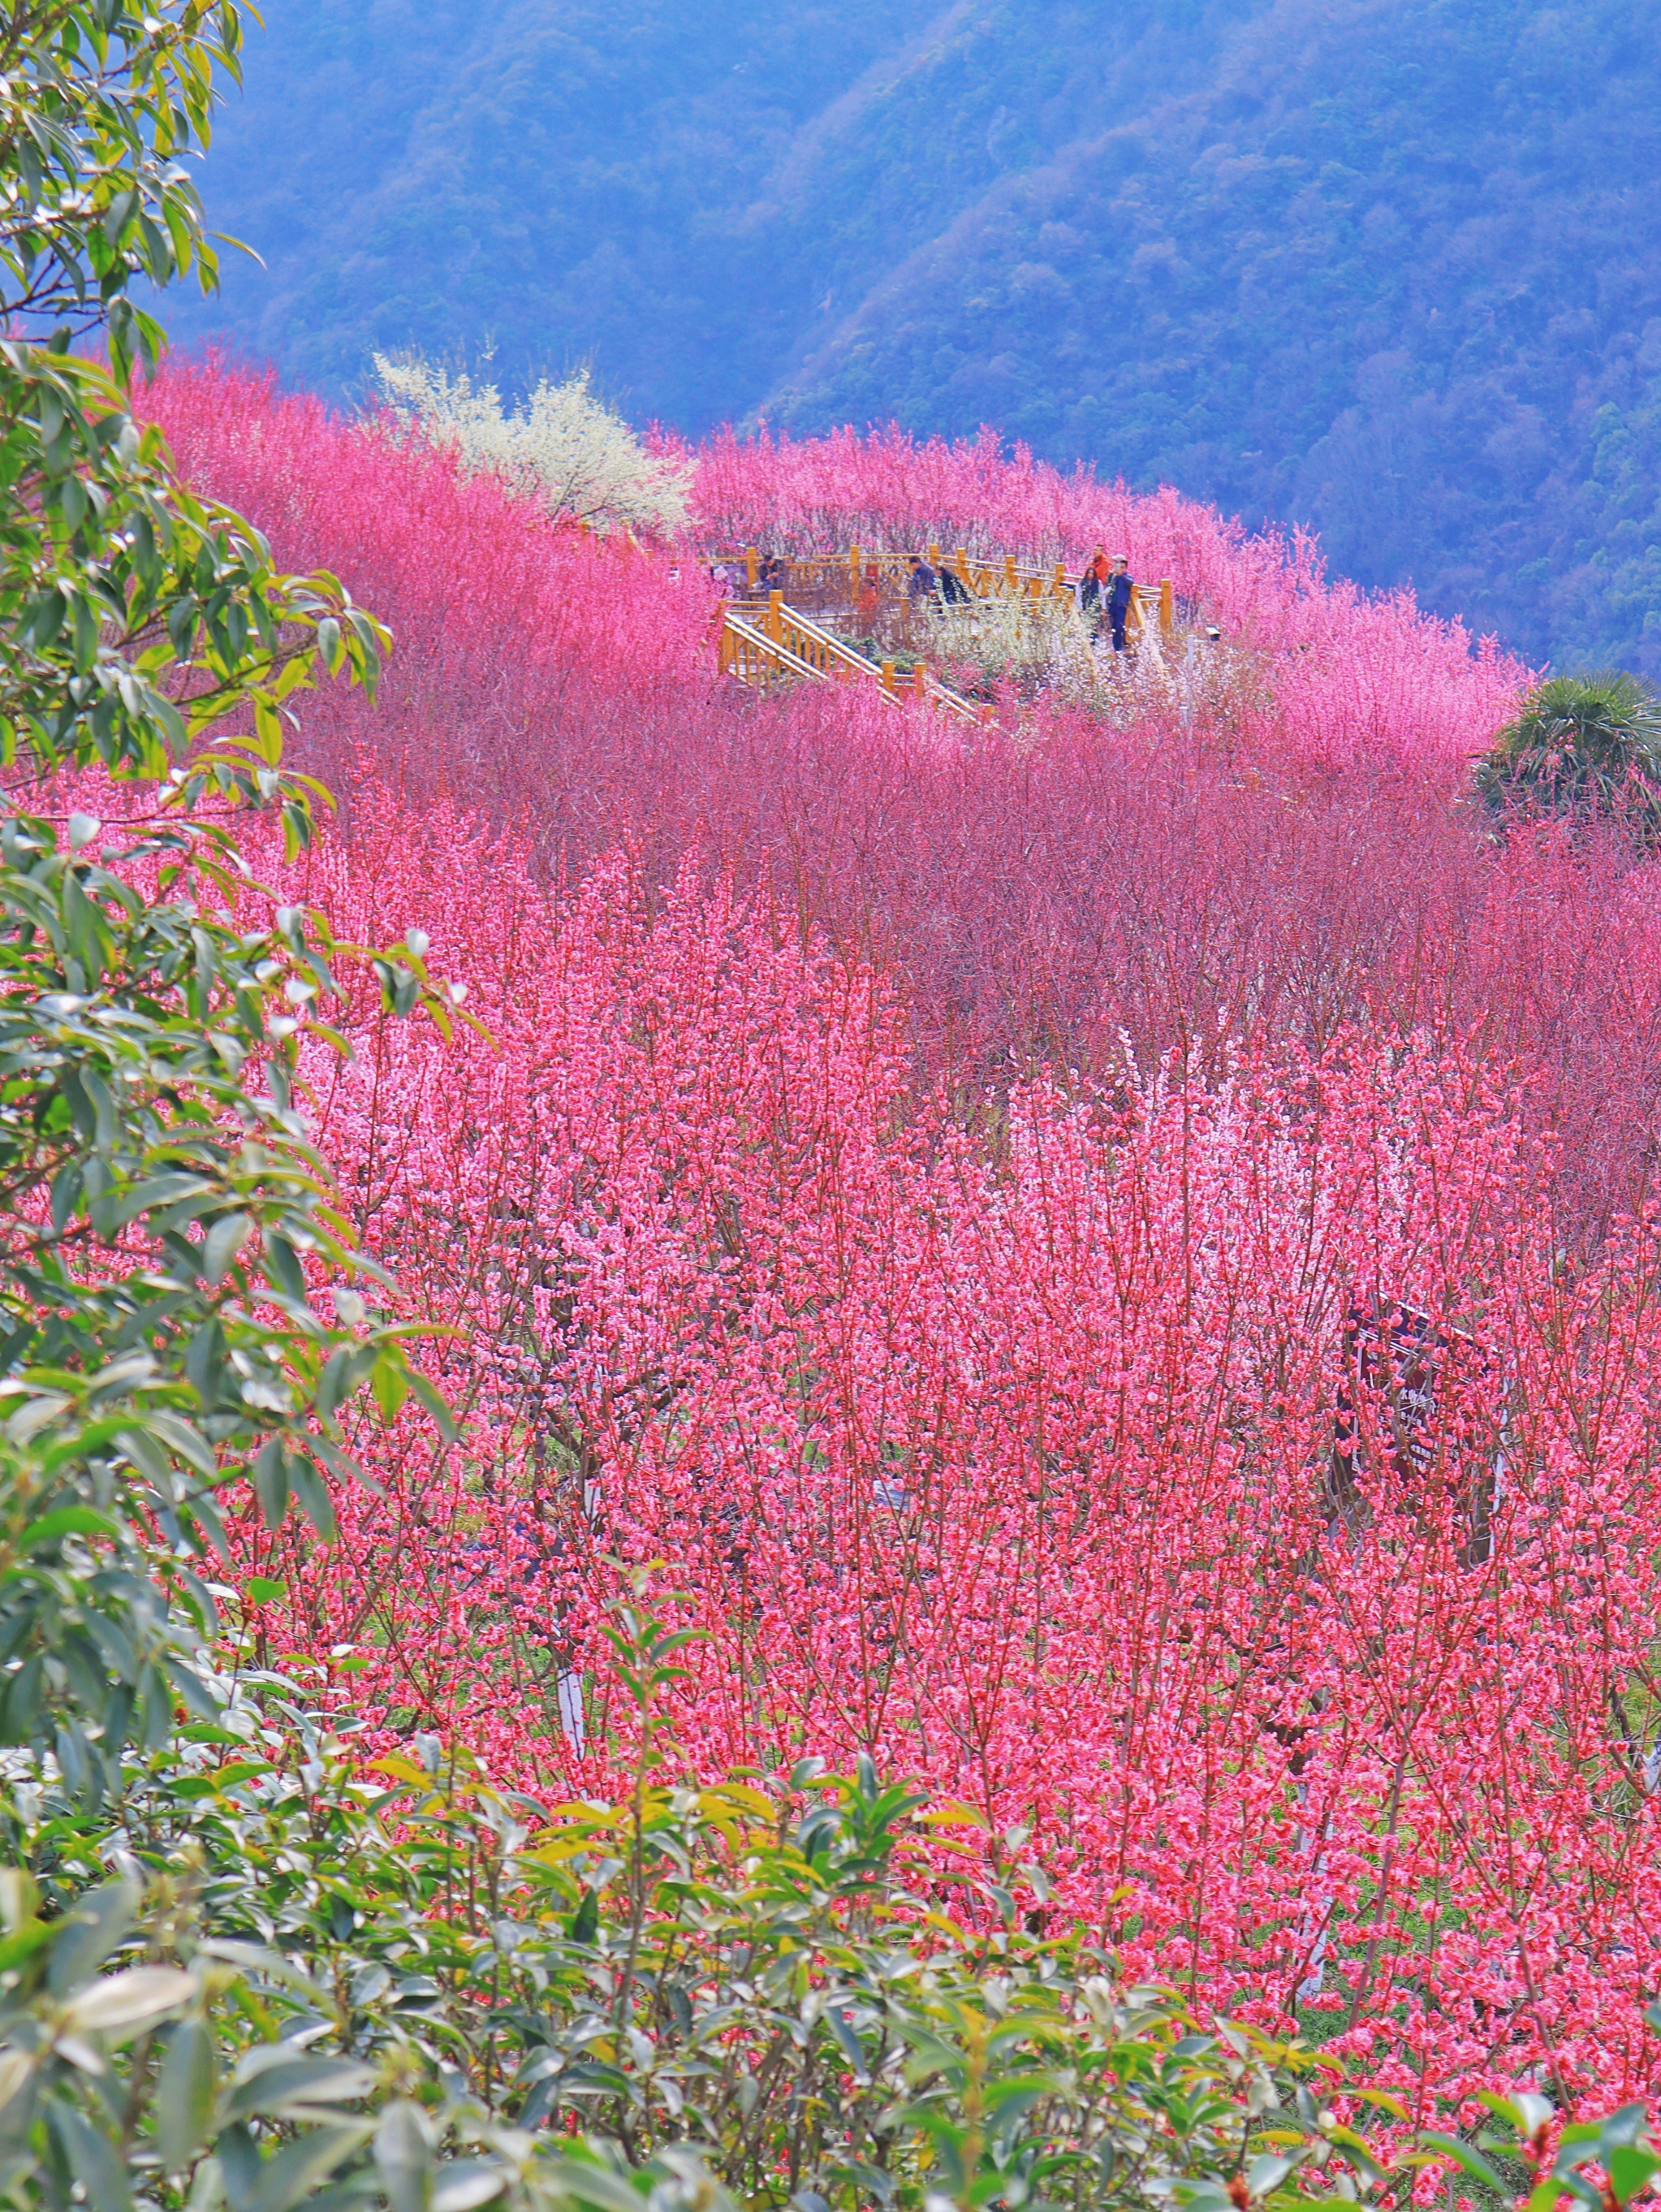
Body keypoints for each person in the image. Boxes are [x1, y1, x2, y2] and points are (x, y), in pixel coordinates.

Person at [1106, 555, 1134, 653]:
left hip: (1121, 605)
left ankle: (1119, 647)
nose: (1120, 570)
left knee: (1119, 626)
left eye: (1123, 568)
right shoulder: (1114, 577)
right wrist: (1112, 574)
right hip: (1112, 604)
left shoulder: (1127, 577)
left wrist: (1121, 576)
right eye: (1119, 567)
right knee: (1112, 626)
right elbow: (1108, 583)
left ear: (1126, 568)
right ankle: (1115, 646)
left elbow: (1130, 583)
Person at [1079, 544, 1109, 615]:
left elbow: (1095, 574)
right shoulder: (1093, 562)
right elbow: (1087, 574)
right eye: (1094, 550)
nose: (1094, 552)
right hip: (1090, 586)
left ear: (1101, 552)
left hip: (1099, 587)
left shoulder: (1105, 562)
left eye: (1096, 550)